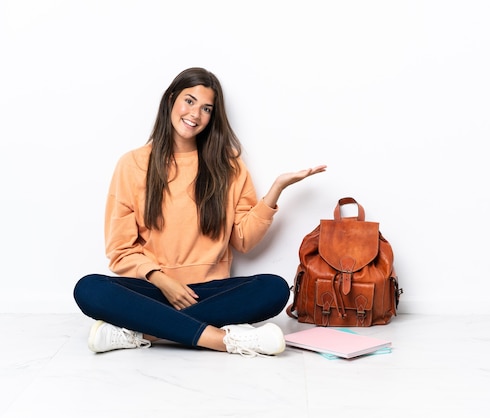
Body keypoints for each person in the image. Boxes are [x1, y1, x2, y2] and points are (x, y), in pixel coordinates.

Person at [73, 67, 326, 357]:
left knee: (275, 289)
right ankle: (226, 341)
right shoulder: (132, 164)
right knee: (89, 289)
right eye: (189, 101)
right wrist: (162, 280)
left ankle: (143, 334)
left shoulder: (228, 166)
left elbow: (243, 240)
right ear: (170, 100)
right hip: (155, 290)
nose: (195, 114)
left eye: (206, 108)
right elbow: (120, 250)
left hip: (209, 292)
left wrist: (276, 190)